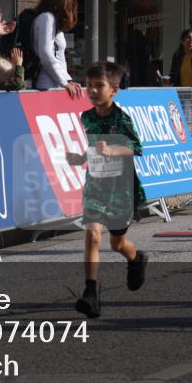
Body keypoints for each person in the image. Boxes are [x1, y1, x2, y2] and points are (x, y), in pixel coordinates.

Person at [65, 61, 149, 318]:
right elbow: (94, 146)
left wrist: (114, 150)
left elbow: (137, 147)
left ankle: (136, 259)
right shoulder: (86, 117)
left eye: (98, 86)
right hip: (96, 185)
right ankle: (90, 293)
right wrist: (81, 158)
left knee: (116, 243)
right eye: (89, 85)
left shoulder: (121, 118)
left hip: (120, 188)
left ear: (114, 90)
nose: (92, 90)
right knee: (92, 236)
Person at [33, 0, 83, 98]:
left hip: (55, 84)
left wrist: (67, 80)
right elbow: (46, 53)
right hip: (47, 85)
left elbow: (59, 57)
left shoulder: (53, 21)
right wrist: (64, 82)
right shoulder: (47, 18)